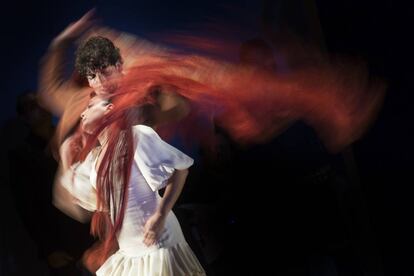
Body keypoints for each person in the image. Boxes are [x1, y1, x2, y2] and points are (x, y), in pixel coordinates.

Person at [55, 94, 206, 275]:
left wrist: (160, 214)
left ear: (109, 109)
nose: (82, 114)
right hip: (130, 248)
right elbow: (88, 207)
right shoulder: (95, 160)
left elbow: (180, 171)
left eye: (89, 107)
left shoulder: (134, 136)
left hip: (157, 241)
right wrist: (65, 161)